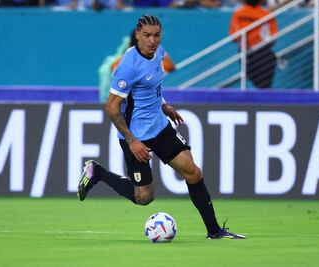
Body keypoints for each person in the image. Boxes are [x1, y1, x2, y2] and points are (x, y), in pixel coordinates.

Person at [78, 14, 246, 240]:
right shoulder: (128, 66)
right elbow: (111, 107)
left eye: (156, 35)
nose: (152, 40)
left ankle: (214, 231)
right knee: (144, 198)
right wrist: (132, 141)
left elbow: (151, 87)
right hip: (135, 136)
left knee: (193, 173)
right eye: (147, 35)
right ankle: (98, 173)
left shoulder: (158, 52)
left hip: (159, 126)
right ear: (137, 35)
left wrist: (164, 105)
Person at [229, 0, 278, 89]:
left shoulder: (264, 14)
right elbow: (273, 37)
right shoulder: (240, 13)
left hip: (258, 53)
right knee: (264, 86)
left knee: (263, 85)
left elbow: (235, 37)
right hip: (254, 53)